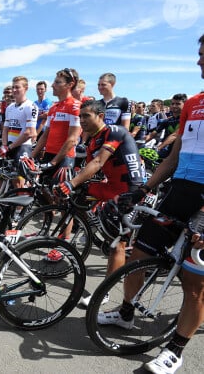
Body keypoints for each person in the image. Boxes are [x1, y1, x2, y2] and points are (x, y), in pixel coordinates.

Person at [99, 34, 204, 374]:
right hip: (180, 189)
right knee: (140, 253)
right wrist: (143, 189)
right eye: (199, 54)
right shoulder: (194, 102)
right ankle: (127, 313)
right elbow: (174, 155)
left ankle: (175, 349)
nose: (199, 61)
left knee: (194, 283)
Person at [53, 100, 143, 306]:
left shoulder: (115, 131)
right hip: (112, 186)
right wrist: (73, 183)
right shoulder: (93, 139)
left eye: (87, 116)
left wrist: (72, 183)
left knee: (116, 245)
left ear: (100, 117)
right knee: (78, 196)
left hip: (130, 191)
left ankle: (104, 293)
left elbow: (98, 162)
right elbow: (89, 168)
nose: (82, 120)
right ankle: (93, 229)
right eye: (80, 116)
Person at [32, 68, 81, 176]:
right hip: (49, 155)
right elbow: (45, 135)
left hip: (64, 157)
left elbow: (72, 139)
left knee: (57, 192)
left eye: (58, 82)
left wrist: (53, 162)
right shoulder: (53, 107)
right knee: (41, 191)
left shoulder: (75, 106)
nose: (53, 85)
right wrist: (31, 157)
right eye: (54, 82)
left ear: (70, 84)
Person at [1, 76, 38, 189]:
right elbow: (5, 128)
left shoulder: (30, 106)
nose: (14, 90)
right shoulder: (10, 107)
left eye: (17, 87)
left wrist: (10, 147)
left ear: (26, 88)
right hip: (10, 146)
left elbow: (29, 133)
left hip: (22, 146)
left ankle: (20, 206)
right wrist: (4, 145)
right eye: (13, 87)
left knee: (19, 180)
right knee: (2, 175)